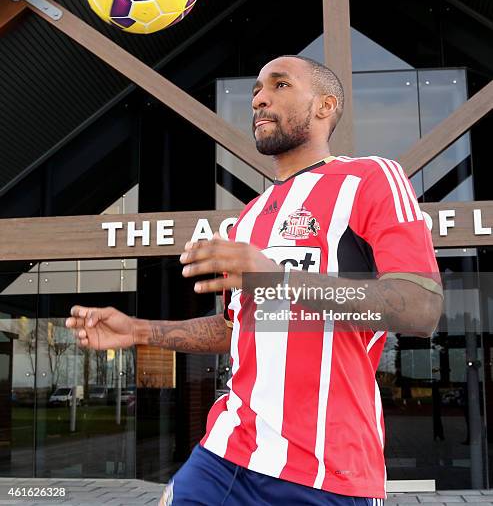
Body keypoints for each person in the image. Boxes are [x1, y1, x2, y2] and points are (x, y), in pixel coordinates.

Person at [66, 55, 443, 505]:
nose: (260, 98)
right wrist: (140, 330)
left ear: (325, 106)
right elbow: (232, 329)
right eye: (256, 91)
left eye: (280, 85)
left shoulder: (370, 178)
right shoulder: (246, 220)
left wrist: (277, 279)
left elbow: (420, 308)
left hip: (329, 470)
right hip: (225, 451)